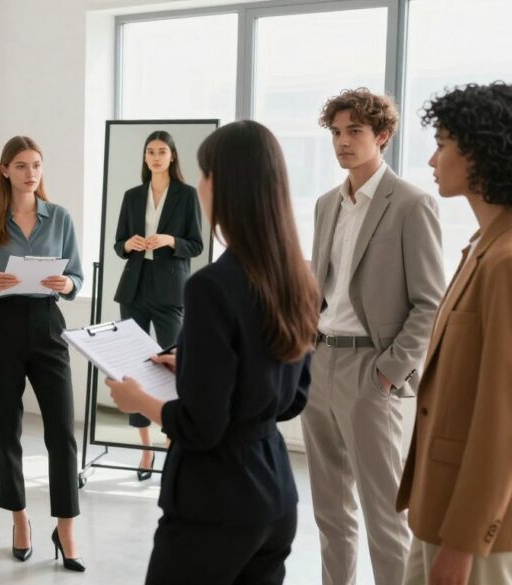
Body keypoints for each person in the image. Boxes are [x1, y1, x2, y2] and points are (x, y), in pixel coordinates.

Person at [107, 120, 318, 585]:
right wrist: (199, 364)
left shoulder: (210, 287)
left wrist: (138, 400)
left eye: (205, 174)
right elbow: (293, 397)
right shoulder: (298, 278)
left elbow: (202, 426)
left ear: (221, 185)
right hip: (277, 494)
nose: (201, 185)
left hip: (215, 502)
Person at [397, 82, 512, 585]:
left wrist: (463, 544)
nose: (432, 160)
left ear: (480, 153)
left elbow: (507, 420)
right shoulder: (486, 246)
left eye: (442, 144)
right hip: (443, 503)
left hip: (477, 525)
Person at [303, 88, 445, 585]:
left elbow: (430, 302)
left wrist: (388, 372)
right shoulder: (326, 205)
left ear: (382, 136)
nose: (342, 142)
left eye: (355, 132)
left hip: (371, 369)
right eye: (337, 133)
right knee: (329, 512)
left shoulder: (411, 204)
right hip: (319, 364)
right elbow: (322, 289)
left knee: (385, 515)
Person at [0, 135, 85, 572]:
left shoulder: (61, 218)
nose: (30, 172)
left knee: (61, 433)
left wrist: (69, 285)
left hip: (49, 324)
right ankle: (20, 521)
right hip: (4, 327)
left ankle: (66, 528)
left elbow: (76, 275)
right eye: (21, 165)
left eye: (36, 164)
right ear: (5, 171)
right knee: (7, 430)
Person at [112, 130, 203, 479]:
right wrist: (128, 244)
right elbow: (118, 243)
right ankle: (146, 449)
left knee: (170, 366)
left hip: (170, 290)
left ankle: (171, 443)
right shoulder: (132, 196)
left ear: (172, 156)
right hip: (134, 288)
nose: (155, 157)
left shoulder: (187, 195)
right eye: (150, 151)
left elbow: (195, 244)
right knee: (134, 366)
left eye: (162, 151)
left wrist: (170, 240)